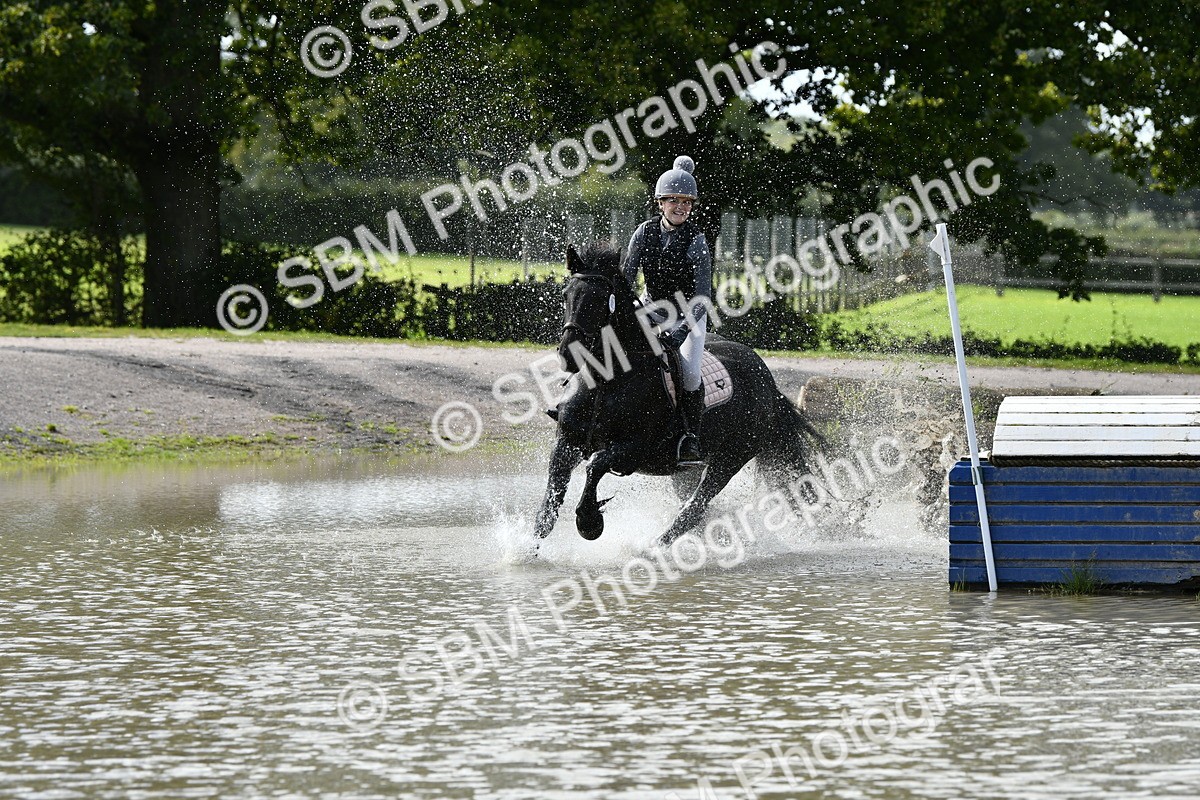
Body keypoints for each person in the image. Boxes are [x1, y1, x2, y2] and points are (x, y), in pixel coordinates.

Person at [622, 155, 712, 466]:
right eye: (674, 200)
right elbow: (627, 280)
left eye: (687, 202)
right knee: (612, 345)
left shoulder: (697, 240)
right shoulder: (643, 232)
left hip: (689, 316)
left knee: (689, 374)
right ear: (660, 202)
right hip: (650, 308)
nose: (681, 207)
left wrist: (681, 332)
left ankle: (690, 437)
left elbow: (702, 297)